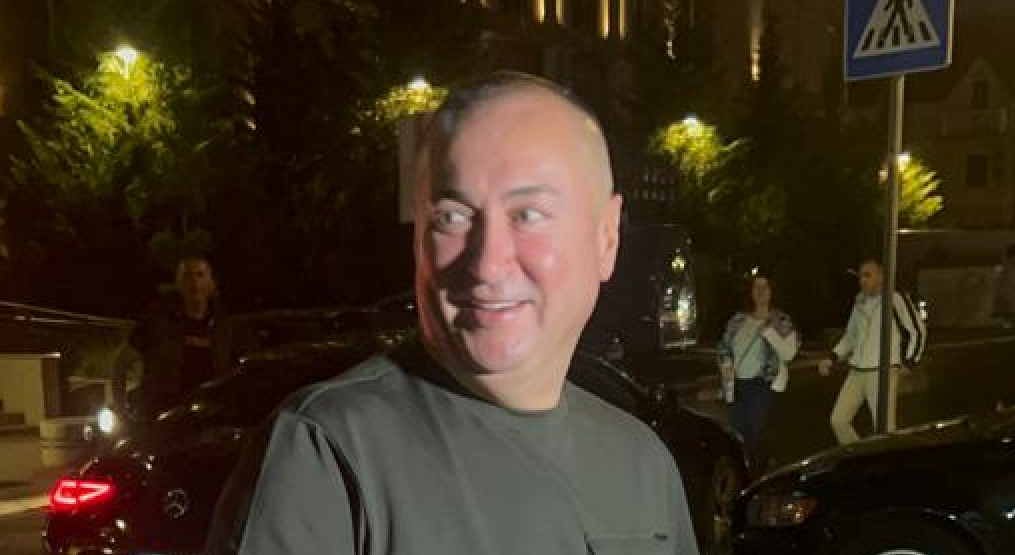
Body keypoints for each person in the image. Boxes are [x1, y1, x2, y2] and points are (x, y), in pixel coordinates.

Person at [207, 72, 699, 555]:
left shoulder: (643, 466)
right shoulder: (329, 456)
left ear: (607, 238)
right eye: (452, 218)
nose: (487, 262)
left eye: (527, 215)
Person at [818, 257, 926, 444]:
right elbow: (851, 336)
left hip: (882, 371)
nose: (862, 280)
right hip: (857, 370)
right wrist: (832, 357)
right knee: (838, 420)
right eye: (860, 276)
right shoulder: (859, 302)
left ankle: (885, 459)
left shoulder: (895, 298)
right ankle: (860, 455)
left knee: (884, 430)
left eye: (867, 275)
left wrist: (910, 361)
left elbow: (917, 330)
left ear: (881, 276)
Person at [113, 255, 235, 419]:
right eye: (187, 276)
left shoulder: (223, 327)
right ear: (178, 283)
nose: (195, 283)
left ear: (211, 282)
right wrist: (122, 410)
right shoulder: (158, 321)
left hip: (208, 418)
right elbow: (121, 363)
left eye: (200, 275)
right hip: (163, 419)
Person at [716, 272, 798, 473]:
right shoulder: (738, 320)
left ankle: (758, 473)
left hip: (763, 383)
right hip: (737, 384)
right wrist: (726, 364)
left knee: (756, 431)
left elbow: (790, 353)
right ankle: (753, 471)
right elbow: (723, 347)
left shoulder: (779, 319)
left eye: (765, 287)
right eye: (756, 287)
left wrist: (769, 333)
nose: (760, 292)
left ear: (772, 292)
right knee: (740, 433)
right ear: (751, 292)